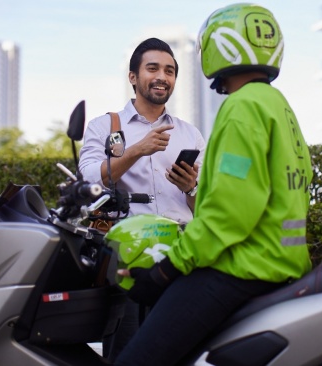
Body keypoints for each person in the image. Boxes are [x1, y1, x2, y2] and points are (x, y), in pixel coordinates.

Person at [115, 4, 313, 365]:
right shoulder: (278, 105)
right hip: (283, 266)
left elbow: (228, 212)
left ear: (221, 47)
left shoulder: (242, 108)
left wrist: (165, 270)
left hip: (240, 269)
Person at [78, 37, 206, 361]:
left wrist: (191, 187)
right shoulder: (104, 126)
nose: (162, 76)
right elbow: (89, 179)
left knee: (178, 349)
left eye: (170, 70)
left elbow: (206, 207)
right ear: (133, 77)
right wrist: (137, 150)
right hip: (126, 254)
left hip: (179, 254)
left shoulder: (190, 134)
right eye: (153, 68)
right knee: (128, 351)